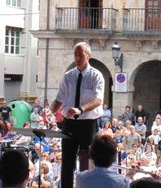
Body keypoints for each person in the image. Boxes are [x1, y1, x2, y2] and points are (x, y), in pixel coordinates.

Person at [50, 41, 105, 188]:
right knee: (67, 162)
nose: (78, 58)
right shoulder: (68, 76)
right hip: (69, 123)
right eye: (75, 54)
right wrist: (50, 111)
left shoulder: (96, 76)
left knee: (87, 160)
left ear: (89, 55)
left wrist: (80, 109)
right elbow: (59, 98)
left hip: (88, 123)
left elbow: (98, 100)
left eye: (81, 55)